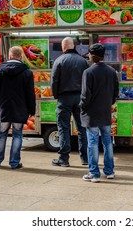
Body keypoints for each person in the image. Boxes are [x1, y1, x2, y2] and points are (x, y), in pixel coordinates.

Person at [0, 46, 36, 169]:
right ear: (20, 57)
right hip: (20, 109)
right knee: (17, 135)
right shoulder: (27, 72)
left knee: (2, 134)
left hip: (4, 109)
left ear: (9, 56)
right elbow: (30, 94)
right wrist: (31, 110)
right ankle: (14, 162)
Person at [80, 43, 119, 183]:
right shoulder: (111, 71)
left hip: (91, 113)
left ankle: (94, 173)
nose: (89, 57)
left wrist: (82, 106)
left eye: (89, 54)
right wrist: (108, 103)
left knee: (92, 143)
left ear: (93, 55)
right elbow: (116, 93)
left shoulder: (88, 72)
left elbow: (85, 95)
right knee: (108, 142)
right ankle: (109, 171)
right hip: (105, 112)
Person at [51, 37, 89, 167]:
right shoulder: (83, 61)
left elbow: (54, 81)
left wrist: (56, 96)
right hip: (80, 98)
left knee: (63, 127)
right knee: (82, 128)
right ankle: (85, 158)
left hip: (64, 98)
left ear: (63, 47)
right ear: (74, 46)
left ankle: (64, 158)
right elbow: (87, 82)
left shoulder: (59, 61)